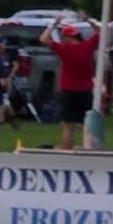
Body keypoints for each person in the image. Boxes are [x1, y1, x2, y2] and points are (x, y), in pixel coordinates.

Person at [45, 17, 100, 151]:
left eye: (63, 37)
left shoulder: (64, 50)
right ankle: (90, 148)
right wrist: (88, 19)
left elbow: (44, 39)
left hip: (68, 91)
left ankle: (67, 148)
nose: (62, 40)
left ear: (69, 37)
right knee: (87, 124)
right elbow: (100, 31)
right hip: (86, 90)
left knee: (68, 126)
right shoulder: (88, 46)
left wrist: (53, 24)